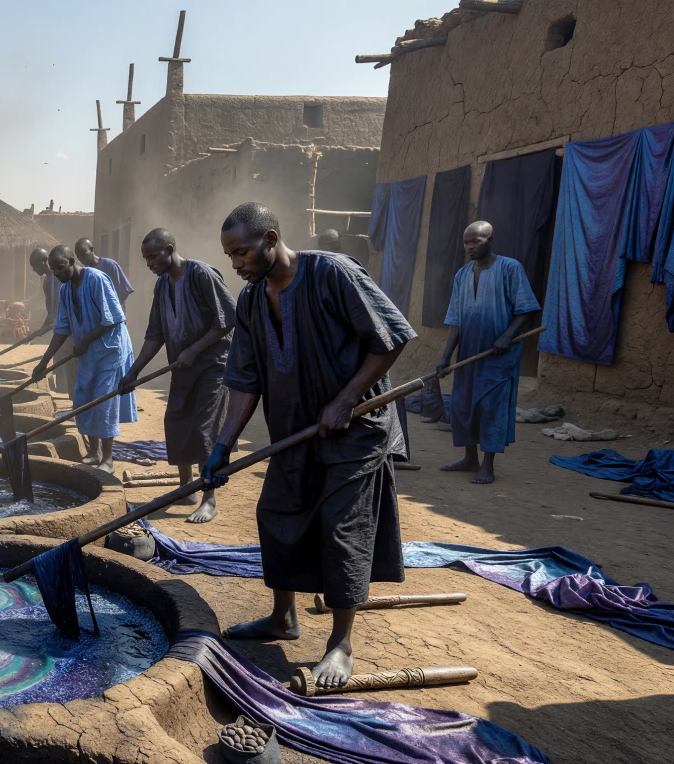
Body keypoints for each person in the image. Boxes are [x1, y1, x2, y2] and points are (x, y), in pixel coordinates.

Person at [205, 202, 414, 691]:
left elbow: (391, 337)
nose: (236, 264)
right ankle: (283, 618)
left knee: (343, 529)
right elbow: (244, 378)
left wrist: (344, 400)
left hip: (356, 431)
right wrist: (223, 444)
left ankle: (341, 643)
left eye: (242, 252)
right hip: (294, 431)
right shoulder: (253, 301)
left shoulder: (332, 273)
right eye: (230, 256)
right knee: (277, 513)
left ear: (271, 238)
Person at [119, 228, 236, 522]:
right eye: (145, 258)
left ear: (170, 249)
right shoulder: (162, 286)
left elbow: (229, 320)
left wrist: (194, 349)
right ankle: (187, 488)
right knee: (177, 422)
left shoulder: (200, 274)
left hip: (213, 365)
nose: (149, 263)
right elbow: (155, 334)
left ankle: (209, 497)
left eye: (153, 256)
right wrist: (132, 372)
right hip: (182, 368)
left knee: (204, 429)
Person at [436, 221, 539, 484]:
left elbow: (527, 308)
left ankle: (487, 465)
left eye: (476, 241)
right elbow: (456, 319)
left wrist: (507, 336)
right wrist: (446, 356)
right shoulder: (461, 275)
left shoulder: (509, 268)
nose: (470, 246)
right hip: (469, 353)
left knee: (490, 407)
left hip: (497, 355)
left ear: (490, 240)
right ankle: (470, 458)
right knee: (463, 405)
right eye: (466, 242)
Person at [32, 245, 136, 472]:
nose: (56, 273)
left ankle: (108, 459)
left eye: (60, 267)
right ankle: (93, 450)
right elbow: (61, 328)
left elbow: (113, 319)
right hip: (88, 352)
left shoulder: (97, 279)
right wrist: (44, 362)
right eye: (53, 269)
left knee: (103, 400)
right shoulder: (65, 289)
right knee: (83, 397)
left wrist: (85, 341)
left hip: (110, 349)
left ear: (72, 261)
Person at [30, 247, 75, 394]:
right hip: (58, 324)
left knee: (66, 357)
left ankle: (67, 390)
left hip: (67, 324)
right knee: (59, 356)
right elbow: (51, 309)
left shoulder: (59, 278)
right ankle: (62, 388)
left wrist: (52, 323)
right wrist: (44, 327)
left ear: (44, 261)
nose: (34, 270)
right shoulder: (47, 281)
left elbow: (61, 306)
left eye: (35, 265)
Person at [74, 236, 134, 304]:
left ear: (91, 249)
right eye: (78, 255)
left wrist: (112, 306)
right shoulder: (84, 272)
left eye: (83, 253)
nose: (81, 258)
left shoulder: (110, 265)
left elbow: (124, 291)